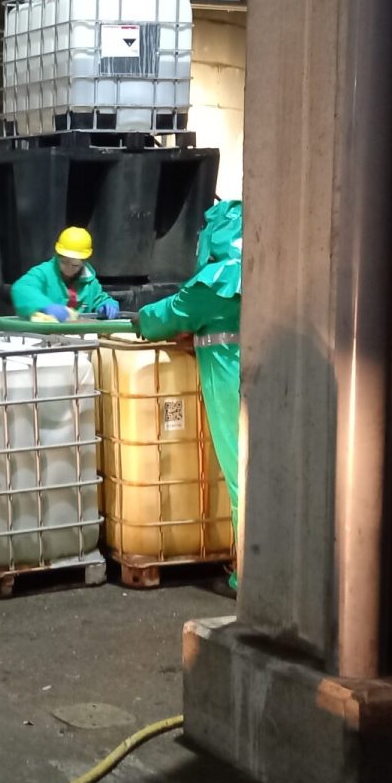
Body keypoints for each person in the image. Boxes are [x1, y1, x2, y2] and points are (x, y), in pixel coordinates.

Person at [134, 199, 242, 587]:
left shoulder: (212, 285)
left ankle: (251, 575)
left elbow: (162, 317)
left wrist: (138, 318)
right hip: (284, 381)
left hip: (232, 382)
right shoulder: (275, 267)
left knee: (241, 473)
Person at [10, 227, 123, 322]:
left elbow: (99, 299)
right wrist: (45, 306)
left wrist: (107, 304)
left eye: (75, 265)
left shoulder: (90, 282)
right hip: (44, 338)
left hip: (80, 341)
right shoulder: (44, 272)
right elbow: (21, 288)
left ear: (84, 261)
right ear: (58, 255)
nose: (69, 268)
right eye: (64, 262)